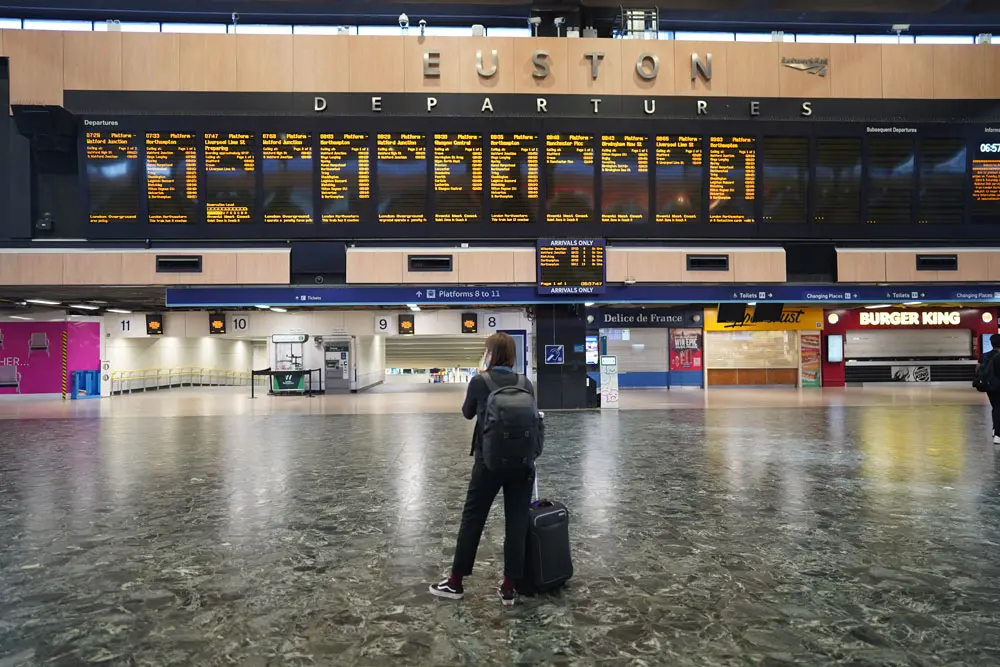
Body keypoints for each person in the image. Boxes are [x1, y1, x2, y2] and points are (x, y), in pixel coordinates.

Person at [429, 332, 539, 607]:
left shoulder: (480, 381)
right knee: (516, 523)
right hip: (522, 463)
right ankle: (510, 588)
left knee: (473, 519)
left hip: (488, 462)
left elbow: (467, 413)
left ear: (490, 354)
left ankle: (455, 583)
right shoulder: (525, 383)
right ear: (512, 355)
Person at [982, 333, 1000, 444]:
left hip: (991, 385)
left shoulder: (985, 356)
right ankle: (998, 434)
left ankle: (995, 429)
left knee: (996, 407)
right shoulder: (998, 357)